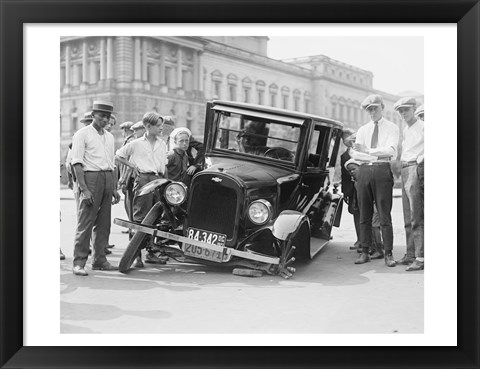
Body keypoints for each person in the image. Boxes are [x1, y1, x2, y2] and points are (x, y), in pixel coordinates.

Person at [70, 101, 121, 276]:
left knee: (104, 223)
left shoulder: (109, 136)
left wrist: (114, 187)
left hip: (107, 178)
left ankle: (99, 260)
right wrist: (84, 189)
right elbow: (76, 163)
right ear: (93, 115)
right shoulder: (82, 134)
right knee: (86, 222)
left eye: (107, 116)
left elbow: (112, 164)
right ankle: (79, 262)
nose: (105, 119)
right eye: (101, 116)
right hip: (90, 177)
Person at [350, 94, 399, 267]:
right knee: (364, 213)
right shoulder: (363, 130)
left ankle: (388, 254)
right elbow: (355, 153)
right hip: (364, 170)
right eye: (369, 109)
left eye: (375, 108)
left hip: (382, 170)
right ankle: (365, 252)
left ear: (382, 107)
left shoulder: (392, 128)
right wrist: (371, 151)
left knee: (384, 214)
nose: (372, 112)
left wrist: (368, 150)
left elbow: (391, 151)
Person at [115, 112, 168, 267]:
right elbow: (118, 156)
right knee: (140, 219)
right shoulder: (136, 143)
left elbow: (163, 166)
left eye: (161, 125)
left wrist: (165, 183)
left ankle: (151, 253)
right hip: (144, 179)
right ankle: (136, 256)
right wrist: (133, 166)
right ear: (148, 126)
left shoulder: (162, 144)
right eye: (158, 126)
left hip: (158, 180)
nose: (161, 128)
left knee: (156, 218)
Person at [394, 97, 424, 271]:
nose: (403, 113)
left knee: (416, 216)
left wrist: (420, 161)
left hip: (414, 167)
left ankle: (420, 258)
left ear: (414, 109)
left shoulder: (424, 126)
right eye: (400, 111)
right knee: (407, 216)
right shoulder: (406, 129)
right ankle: (411, 253)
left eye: (406, 109)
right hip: (406, 169)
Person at [345, 159, 384, 260]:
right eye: (349, 171)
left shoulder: (367, 179)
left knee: (375, 226)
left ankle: (379, 250)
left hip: (375, 206)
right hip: (367, 206)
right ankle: (372, 247)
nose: (352, 172)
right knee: (369, 226)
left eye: (354, 169)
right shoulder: (356, 181)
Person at [340, 128, 361, 251]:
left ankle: (370, 241)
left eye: (349, 137)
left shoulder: (361, 152)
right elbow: (344, 175)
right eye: (344, 138)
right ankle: (359, 239)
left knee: (367, 214)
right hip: (352, 190)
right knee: (355, 214)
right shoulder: (343, 156)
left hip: (363, 187)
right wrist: (345, 192)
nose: (346, 140)